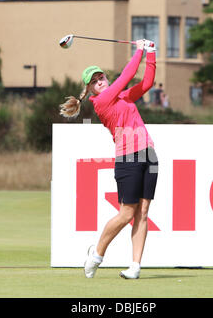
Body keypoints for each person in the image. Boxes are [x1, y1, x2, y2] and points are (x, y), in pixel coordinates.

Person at [60, 39, 159, 279]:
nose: (100, 82)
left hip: (149, 154)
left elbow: (146, 83)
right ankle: (97, 254)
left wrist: (152, 53)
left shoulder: (123, 97)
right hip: (128, 156)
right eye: (94, 82)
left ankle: (135, 266)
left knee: (143, 212)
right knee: (127, 213)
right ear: (90, 90)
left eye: (101, 78)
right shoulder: (101, 102)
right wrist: (139, 50)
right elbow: (128, 74)